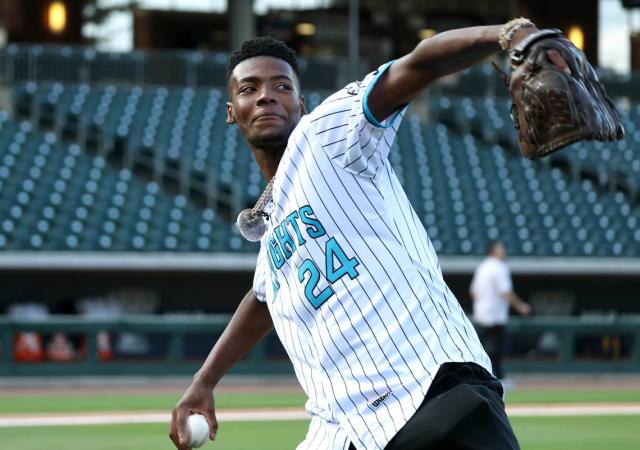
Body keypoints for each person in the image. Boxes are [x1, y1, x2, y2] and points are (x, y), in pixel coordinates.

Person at [170, 19, 569, 450]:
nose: (266, 94)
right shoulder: (274, 230)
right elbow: (264, 297)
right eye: (248, 89)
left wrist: (507, 35)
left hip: (431, 391)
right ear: (232, 112)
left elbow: (419, 65)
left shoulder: (326, 136)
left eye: (281, 86)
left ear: (301, 103)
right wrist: (204, 379)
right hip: (343, 428)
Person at [470, 241, 531, 385]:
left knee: (484, 350)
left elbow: (472, 291)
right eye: (501, 249)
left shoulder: (482, 266)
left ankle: (485, 378)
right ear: (494, 252)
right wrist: (521, 306)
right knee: (495, 350)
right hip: (495, 315)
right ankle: (498, 379)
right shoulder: (500, 267)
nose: (504, 251)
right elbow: (506, 292)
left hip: (481, 314)